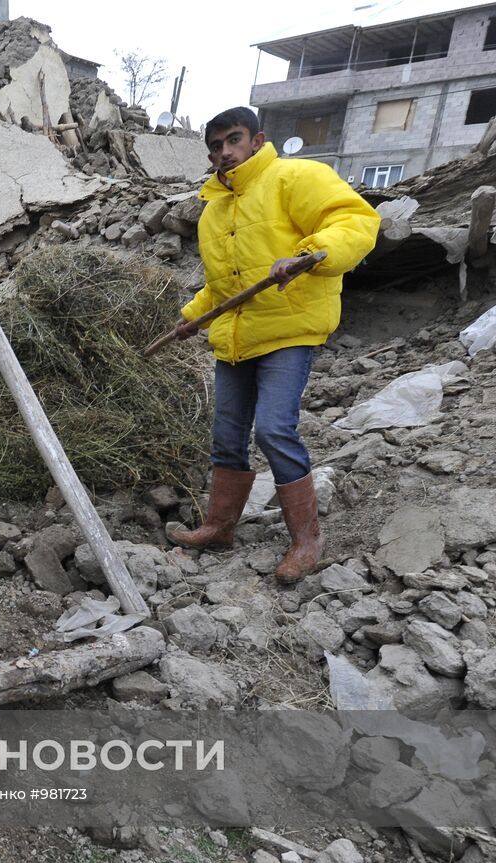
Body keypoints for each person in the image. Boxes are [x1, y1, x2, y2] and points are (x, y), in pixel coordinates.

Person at [168, 107, 380, 583]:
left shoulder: (295, 176)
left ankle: (307, 540)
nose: (225, 152)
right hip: (236, 338)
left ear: (258, 139)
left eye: (234, 140)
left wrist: (308, 256)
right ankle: (220, 526)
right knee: (226, 436)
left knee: (274, 430)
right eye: (217, 146)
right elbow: (223, 286)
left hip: (288, 330)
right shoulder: (214, 211)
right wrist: (189, 318)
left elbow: (353, 220)